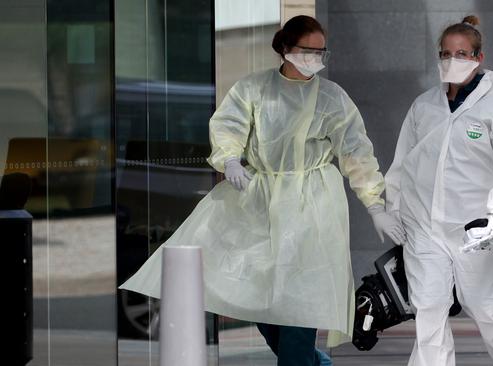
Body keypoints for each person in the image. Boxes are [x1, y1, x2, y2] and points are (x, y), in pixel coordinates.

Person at [120, 15, 405, 366]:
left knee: (301, 300)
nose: (315, 59)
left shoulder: (332, 99)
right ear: (285, 49)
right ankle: (316, 363)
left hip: (312, 203)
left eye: (321, 52)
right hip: (260, 199)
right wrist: (230, 160)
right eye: (307, 51)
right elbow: (228, 125)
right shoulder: (254, 89)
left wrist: (374, 204)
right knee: (258, 297)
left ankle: (303, 361)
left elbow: (356, 153)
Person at [385, 15, 493, 366]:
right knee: (429, 310)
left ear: (478, 58)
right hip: (425, 226)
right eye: (446, 53)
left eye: (462, 53)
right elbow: (402, 163)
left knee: (488, 311)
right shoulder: (424, 105)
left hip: (477, 229)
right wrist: (391, 208)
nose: (452, 60)